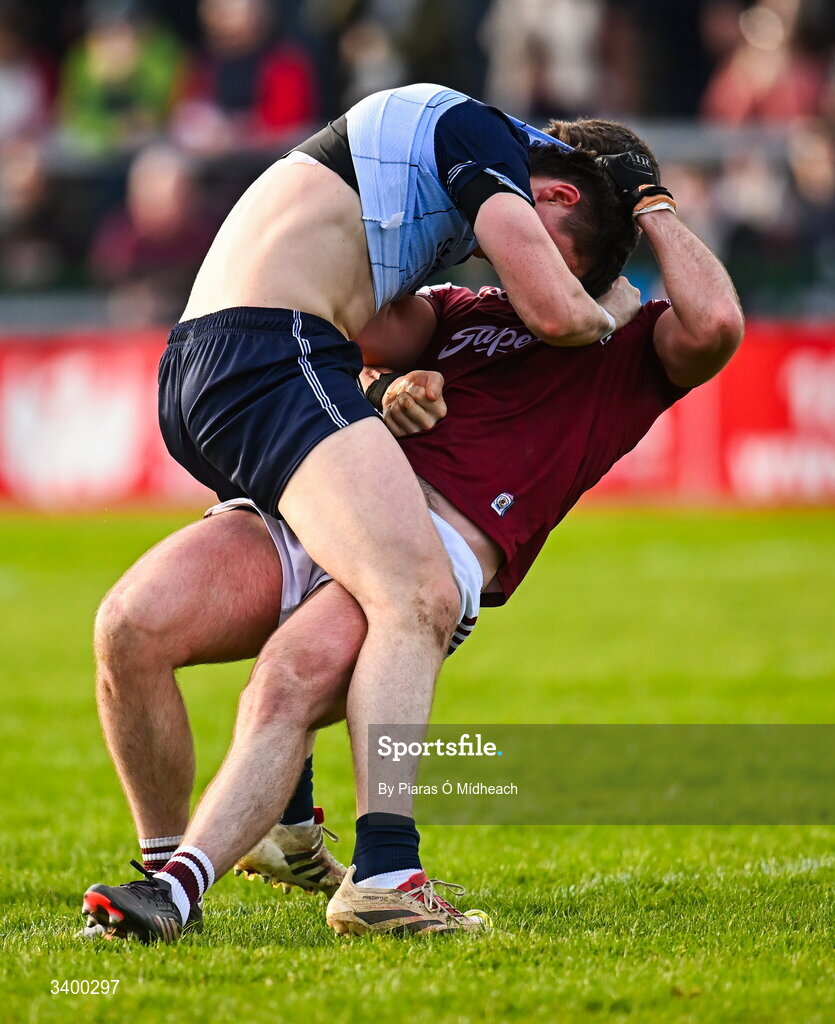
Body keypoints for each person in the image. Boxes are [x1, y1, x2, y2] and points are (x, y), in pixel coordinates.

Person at [81, 117, 744, 940]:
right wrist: (386, 385)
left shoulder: (633, 349)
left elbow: (715, 323)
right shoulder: (465, 309)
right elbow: (355, 326)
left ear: (569, 212)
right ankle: (189, 854)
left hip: (430, 545)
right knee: (129, 627)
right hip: (329, 502)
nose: (510, 266)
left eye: (550, 262)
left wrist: (649, 201)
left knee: (287, 677)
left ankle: (202, 890)